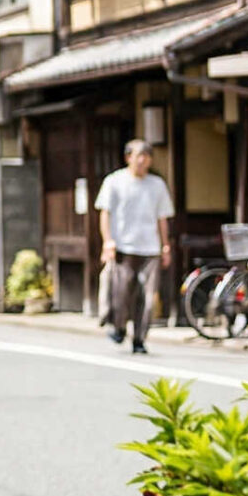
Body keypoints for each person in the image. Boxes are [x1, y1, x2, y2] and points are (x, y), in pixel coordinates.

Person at [96, 139, 175, 354]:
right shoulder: (115, 181)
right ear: (128, 157)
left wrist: (165, 246)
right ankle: (119, 326)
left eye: (147, 156)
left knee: (148, 298)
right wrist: (107, 241)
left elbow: (162, 218)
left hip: (150, 248)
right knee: (121, 293)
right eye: (139, 155)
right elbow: (105, 212)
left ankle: (139, 338)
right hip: (123, 247)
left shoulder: (156, 184)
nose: (143, 160)